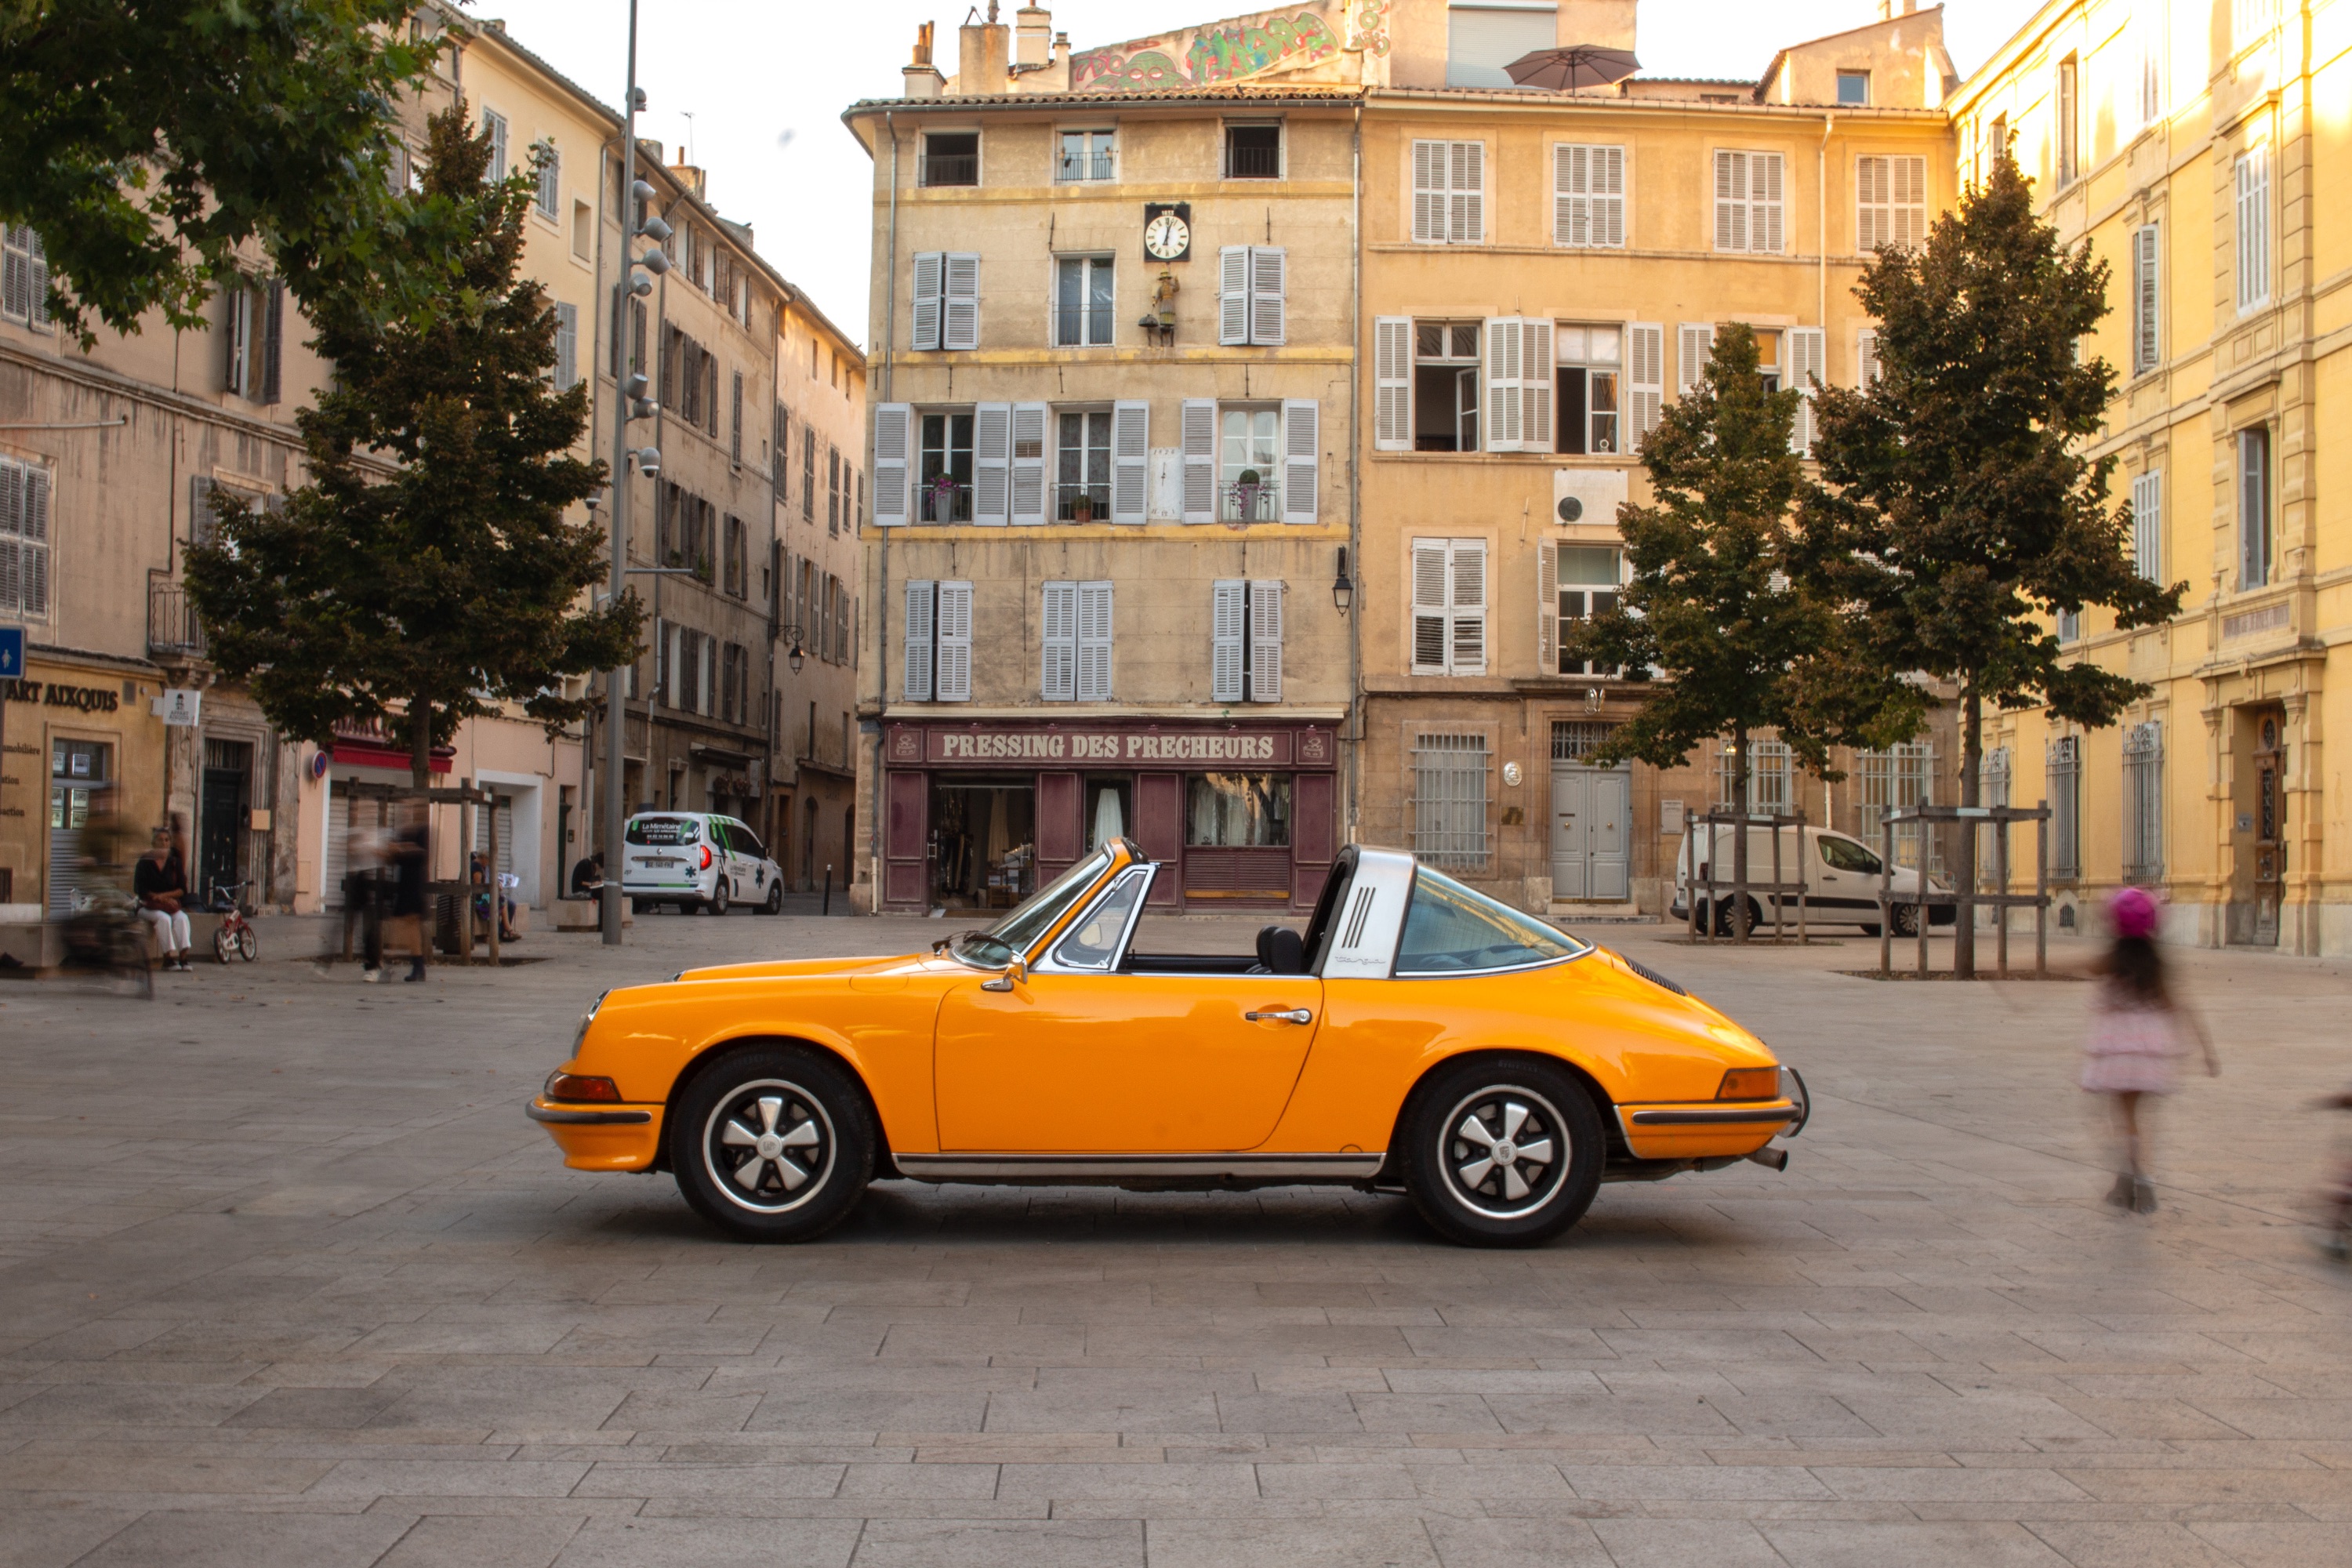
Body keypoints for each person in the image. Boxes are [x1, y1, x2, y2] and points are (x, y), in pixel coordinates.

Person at [2080, 887, 2217, 1214]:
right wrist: (2208, 1051)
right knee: (2144, 1119)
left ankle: (2129, 1175)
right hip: (2148, 1053)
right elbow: (2182, 1006)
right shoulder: (2156, 966)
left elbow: (2075, 965)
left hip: (2116, 1051)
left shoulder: (2112, 960)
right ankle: (2142, 1181)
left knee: (2123, 1118)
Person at [132, 827, 194, 971]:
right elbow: (140, 889)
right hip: (148, 906)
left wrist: (166, 898)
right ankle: (168, 958)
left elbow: (182, 889)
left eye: (167, 840)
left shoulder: (174, 862)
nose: (164, 843)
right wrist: (159, 898)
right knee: (164, 919)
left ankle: (184, 957)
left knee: (182, 918)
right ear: (154, 843)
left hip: (168, 904)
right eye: (160, 840)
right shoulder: (145, 862)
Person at [387, 802, 430, 982]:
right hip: (404, 884)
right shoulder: (403, 833)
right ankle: (417, 966)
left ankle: (393, 963)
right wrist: (391, 851)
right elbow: (394, 859)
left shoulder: (422, 832)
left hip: (415, 884)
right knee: (403, 926)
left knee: (405, 926)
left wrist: (402, 848)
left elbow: (423, 854)